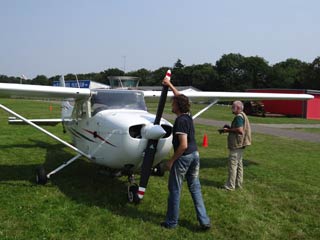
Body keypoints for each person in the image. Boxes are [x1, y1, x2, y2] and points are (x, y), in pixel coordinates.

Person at [161, 77, 211, 230]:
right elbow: (181, 97)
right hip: (195, 154)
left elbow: (182, 145)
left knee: (175, 189)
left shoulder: (181, 121)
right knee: (195, 188)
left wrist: (171, 161)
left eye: (173, 102)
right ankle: (204, 221)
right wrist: (169, 85)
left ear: (177, 106)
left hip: (184, 157)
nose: (172, 103)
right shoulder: (187, 115)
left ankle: (171, 222)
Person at [222, 101, 252, 191]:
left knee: (233, 165)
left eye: (233, 107)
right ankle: (238, 184)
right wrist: (230, 128)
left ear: (238, 108)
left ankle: (230, 186)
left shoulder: (238, 117)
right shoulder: (243, 115)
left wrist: (227, 130)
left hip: (236, 144)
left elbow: (240, 130)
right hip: (241, 144)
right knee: (239, 165)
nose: (232, 108)